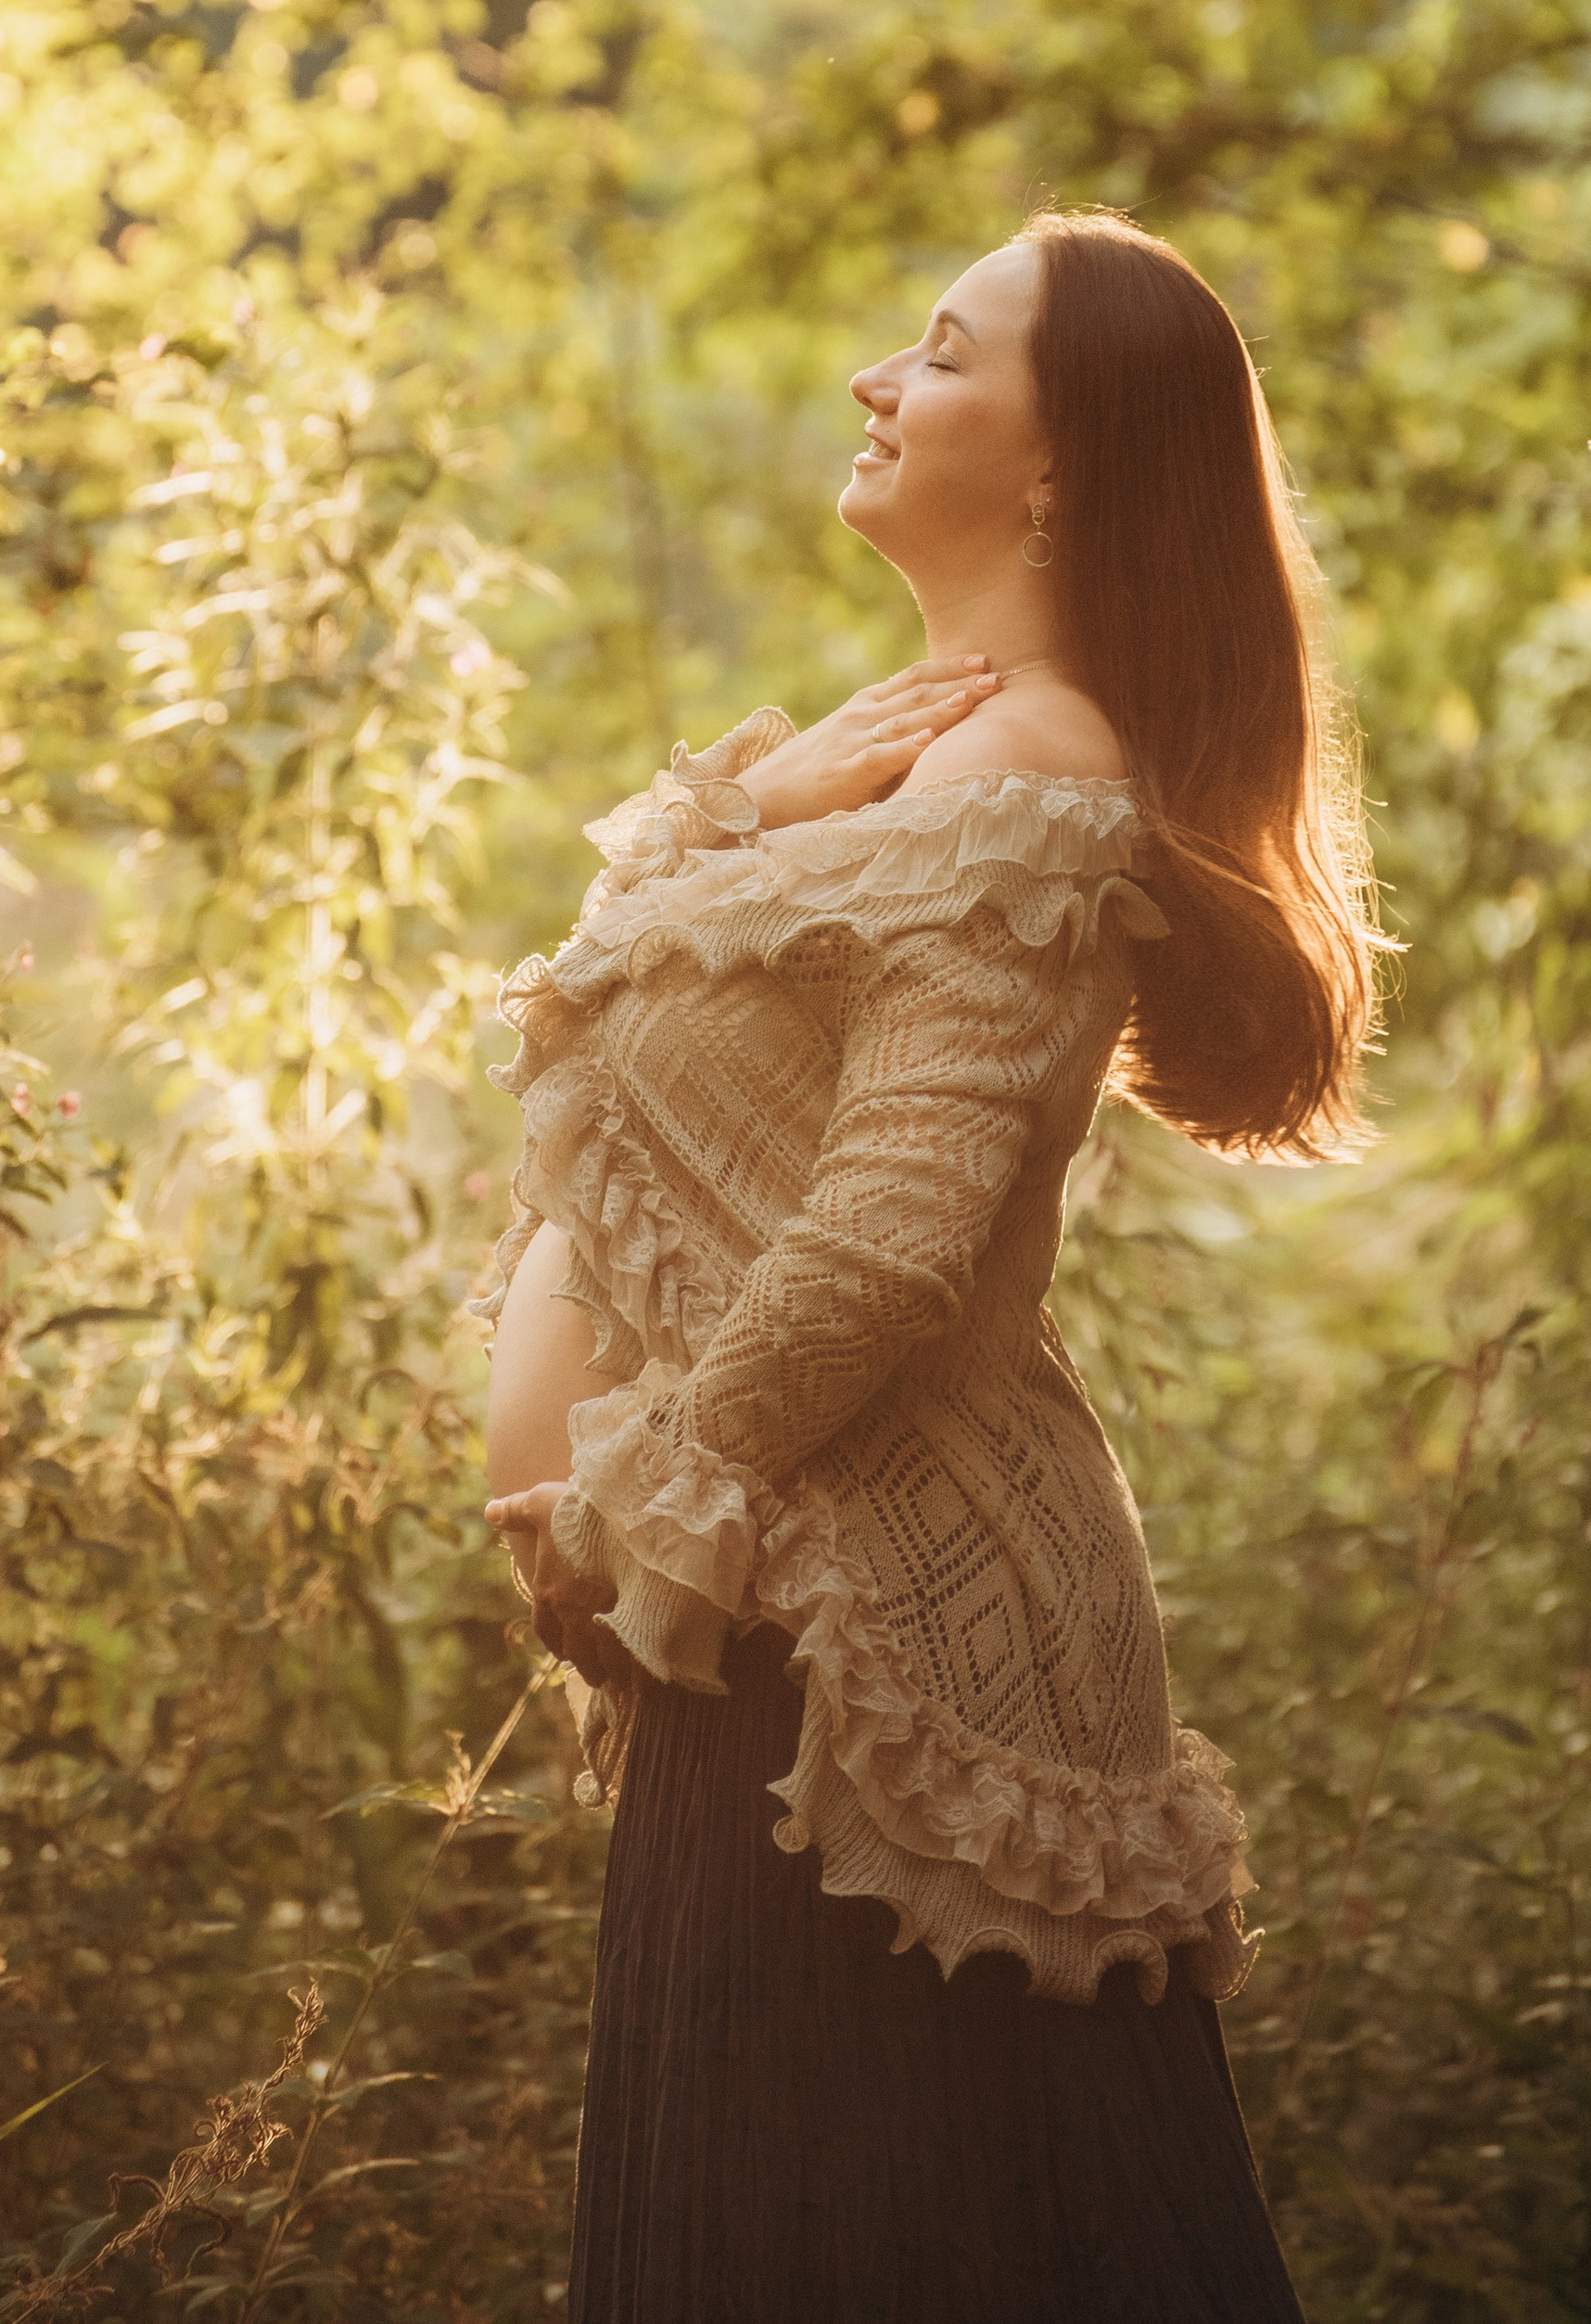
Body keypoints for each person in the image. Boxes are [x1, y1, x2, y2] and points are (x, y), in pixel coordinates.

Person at [477, 207, 1381, 2321]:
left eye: (941, 348)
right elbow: (592, 1024)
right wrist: (752, 806)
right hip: (773, 1636)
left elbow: (885, 1243)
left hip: (873, 1675)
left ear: (1061, 459)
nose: (877, 380)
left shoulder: (1029, 784)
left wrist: (634, 1495)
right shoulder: (929, 768)